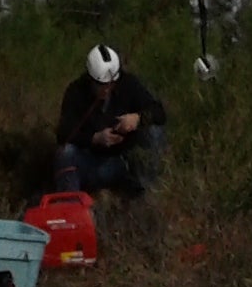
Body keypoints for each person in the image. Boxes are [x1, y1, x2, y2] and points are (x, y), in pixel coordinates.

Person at [53, 42, 167, 197]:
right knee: (65, 153)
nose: (107, 89)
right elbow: (63, 133)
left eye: (111, 84)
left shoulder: (128, 84)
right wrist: (95, 138)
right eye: (101, 85)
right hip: (91, 163)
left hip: (124, 163)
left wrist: (137, 119)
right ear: (90, 79)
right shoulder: (76, 92)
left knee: (153, 131)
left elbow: (159, 112)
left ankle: (145, 195)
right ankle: (70, 203)